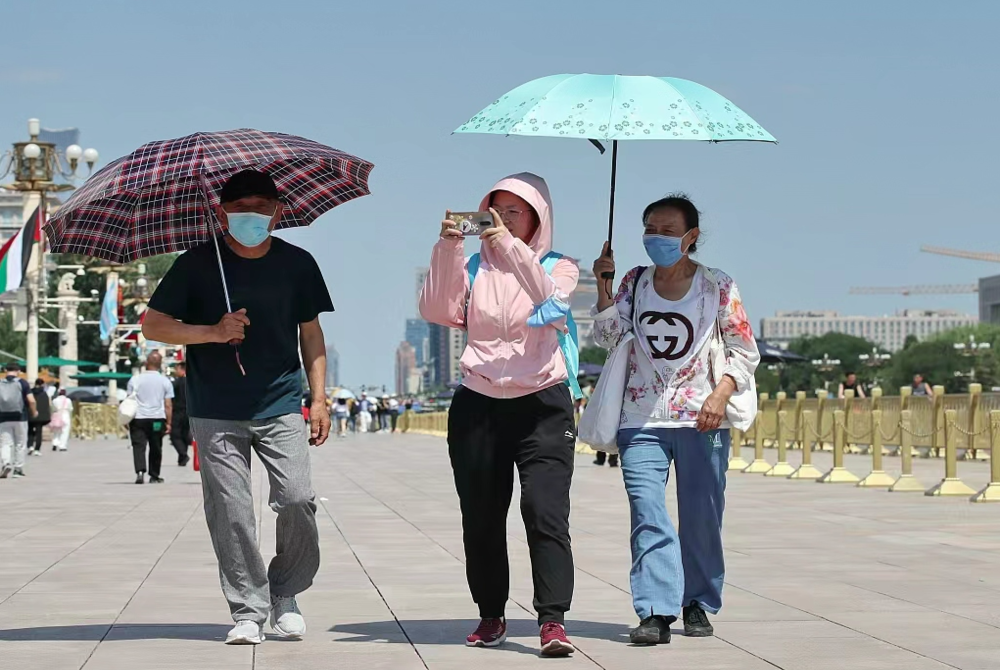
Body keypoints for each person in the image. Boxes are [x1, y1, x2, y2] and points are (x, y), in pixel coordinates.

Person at [142, 169, 333, 646]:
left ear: (279, 211)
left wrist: (320, 397)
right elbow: (153, 326)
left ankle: (285, 593)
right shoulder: (197, 263)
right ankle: (248, 608)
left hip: (282, 401)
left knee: (297, 498)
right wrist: (212, 331)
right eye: (241, 207)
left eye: (262, 206)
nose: (253, 215)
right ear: (221, 212)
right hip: (215, 405)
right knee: (231, 509)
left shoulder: (298, 264)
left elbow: (311, 334)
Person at [419, 172, 579, 656]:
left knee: (544, 511)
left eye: (515, 212)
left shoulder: (561, 266)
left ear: (538, 219)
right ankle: (491, 614)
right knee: (482, 516)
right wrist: (446, 250)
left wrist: (511, 248)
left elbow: (550, 304)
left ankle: (552, 620)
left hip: (543, 404)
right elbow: (437, 310)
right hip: (479, 403)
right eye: (496, 211)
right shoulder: (470, 266)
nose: (503, 221)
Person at [592, 194, 760, 645]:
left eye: (668, 231)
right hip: (640, 416)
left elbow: (745, 351)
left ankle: (697, 602)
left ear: (691, 237)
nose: (657, 238)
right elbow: (608, 337)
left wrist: (720, 395)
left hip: (702, 418)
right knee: (647, 511)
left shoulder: (717, 286)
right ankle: (655, 610)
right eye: (651, 229)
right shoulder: (634, 280)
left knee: (702, 515)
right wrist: (604, 287)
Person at [127, 352, 174, 484]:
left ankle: (140, 472)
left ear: (146, 363)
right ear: (159, 365)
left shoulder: (135, 379)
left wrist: (127, 419)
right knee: (156, 446)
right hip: (157, 419)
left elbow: (129, 400)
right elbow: (168, 404)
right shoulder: (165, 381)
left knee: (138, 446)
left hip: (138, 419)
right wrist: (169, 422)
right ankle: (154, 475)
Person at [0, 362, 36, 479]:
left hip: (3, 417)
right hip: (20, 417)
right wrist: (34, 411)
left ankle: (6, 463)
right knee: (20, 443)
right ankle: (18, 469)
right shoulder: (22, 383)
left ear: (6, 370)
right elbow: (31, 400)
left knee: (5, 443)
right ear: (19, 371)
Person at [170, 362, 193, 466]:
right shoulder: (192, 382)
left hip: (178, 411)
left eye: (177, 369)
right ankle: (182, 459)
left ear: (182, 369)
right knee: (184, 434)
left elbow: (169, 397)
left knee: (174, 435)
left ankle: (183, 454)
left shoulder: (177, 382)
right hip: (189, 412)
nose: (176, 371)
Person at [28, 378, 52, 455]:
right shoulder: (44, 394)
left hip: (30, 415)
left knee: (30, 431)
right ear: (42, 384)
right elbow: (46, 406)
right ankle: (37, 449)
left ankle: (30, 446)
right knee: (39, 433)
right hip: (40, 417)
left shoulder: (30, 392)